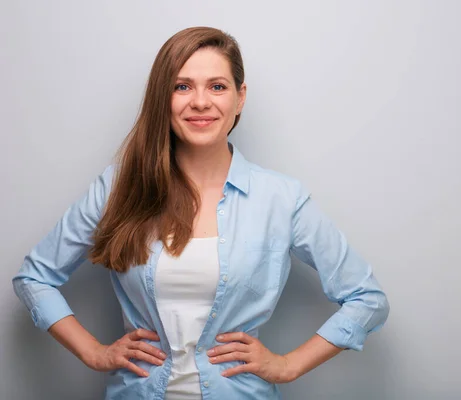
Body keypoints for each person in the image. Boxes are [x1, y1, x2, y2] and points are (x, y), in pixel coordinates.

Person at [12, 26, 390, 399]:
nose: (200, 102)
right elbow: (35, 278)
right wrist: (94, 352)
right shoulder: (117, 189)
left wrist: (288, 365)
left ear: (240, 98)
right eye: (182, 86)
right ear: (164, 98)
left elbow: (367, 299)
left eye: (217, 86)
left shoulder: (281, 199)